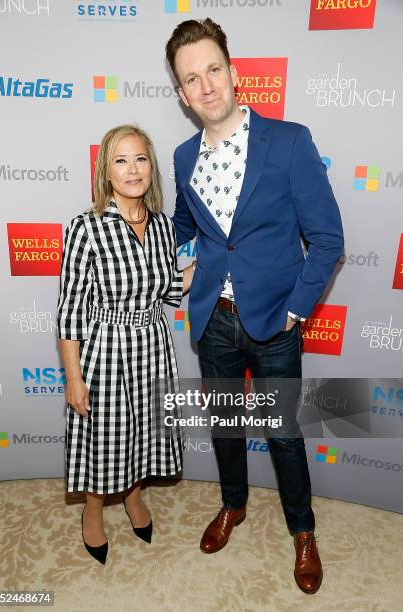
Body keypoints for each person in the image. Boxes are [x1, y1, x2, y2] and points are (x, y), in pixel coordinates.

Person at [166, 18, 344, 594]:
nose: (206, 84)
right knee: (224, 426)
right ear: (183, 93)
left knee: (283, 432)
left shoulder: (290, 141)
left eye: (213, 69)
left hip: (275, 324)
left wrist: (296, 310)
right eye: (191, 78)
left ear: (234, 73)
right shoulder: (182, 155)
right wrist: (186, 259)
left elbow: (328, 239)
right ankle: (234, 506)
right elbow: (186, 224)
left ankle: (302, 530)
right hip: (212, 321)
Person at [57, 125, 194, 564]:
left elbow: (171, 287)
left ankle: (134, 497)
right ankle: (93, 511)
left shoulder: (163, 228)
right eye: (121, 160)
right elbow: (70, 310)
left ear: (151, 167)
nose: (132, 169)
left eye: (140, 159)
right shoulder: (86, 227)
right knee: (105, 437)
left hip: (153, 345)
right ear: (106, 171)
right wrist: (73, 377)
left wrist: (218, 259)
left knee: (146, 431)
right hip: (106, 349)